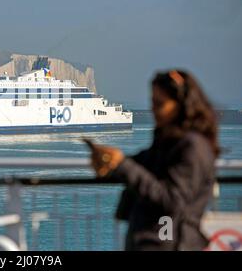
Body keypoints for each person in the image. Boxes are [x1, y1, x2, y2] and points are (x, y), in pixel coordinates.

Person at [85, 70, 219, 250]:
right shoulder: (167, 142)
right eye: (152, 102)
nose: (153, 109)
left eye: (160, 104)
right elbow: (140, 165)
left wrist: (122, 165)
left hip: (171, 243)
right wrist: (111, 163)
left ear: (180, 105)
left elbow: (172, 200)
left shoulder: (192, 147)